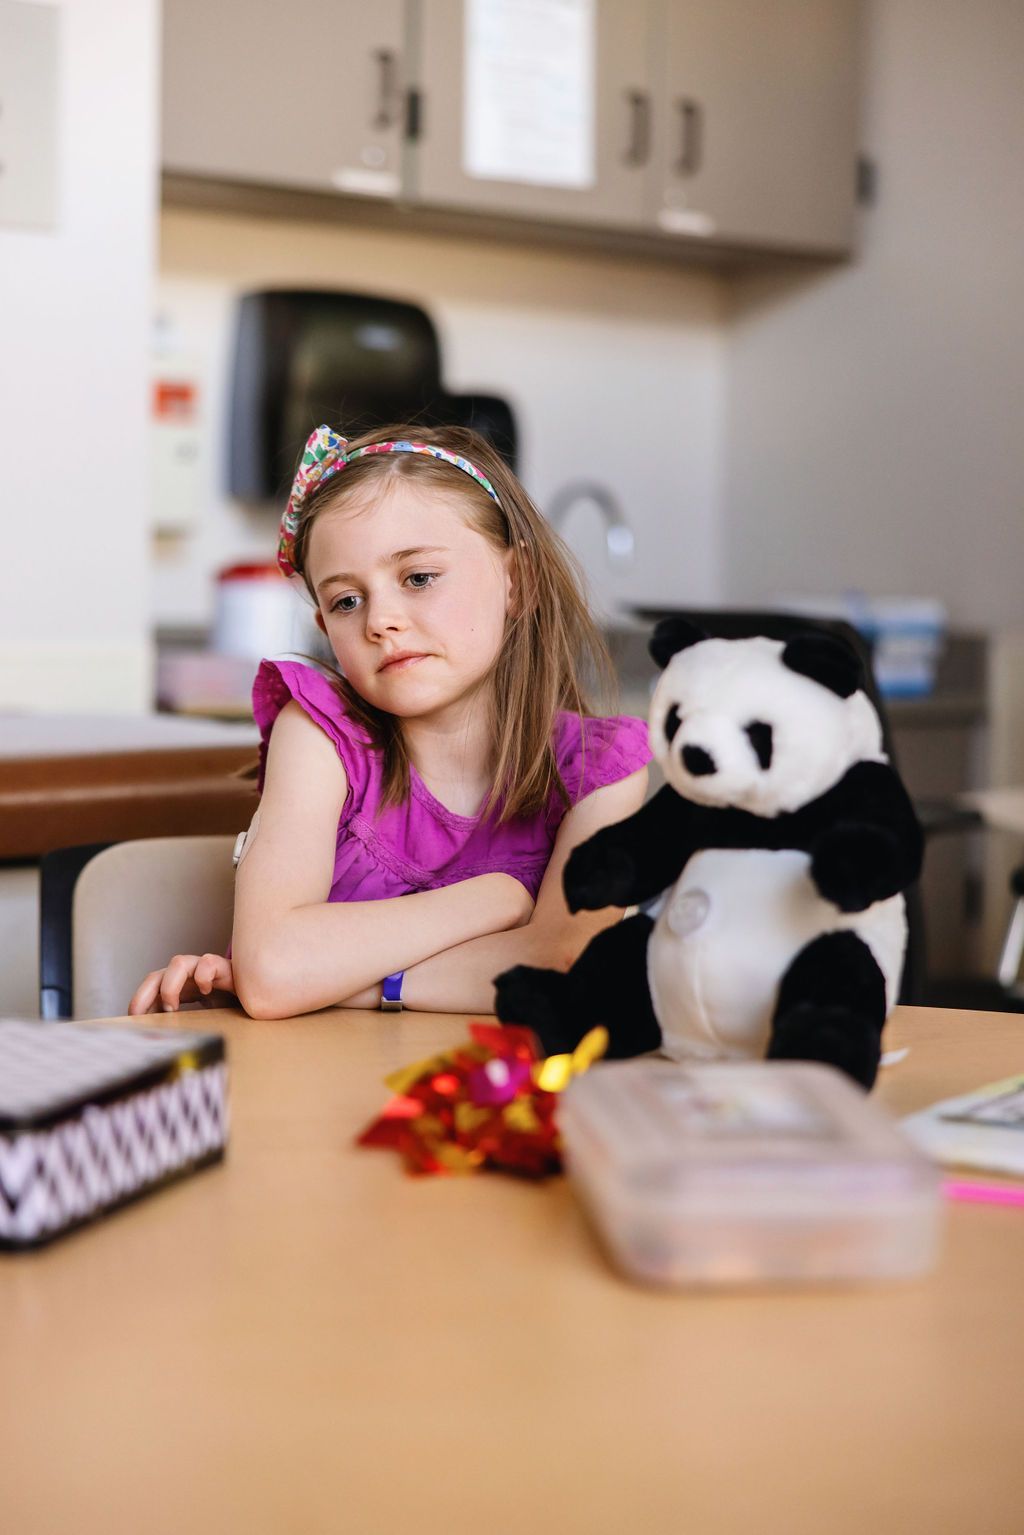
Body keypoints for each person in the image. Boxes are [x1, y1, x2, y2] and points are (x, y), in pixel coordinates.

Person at [129, 422, 651, 1019]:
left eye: (418, 578)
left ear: (517, 581)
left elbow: (565, 968)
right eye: (346, 601)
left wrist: (343, 983)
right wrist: (493, 900)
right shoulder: (320, 736)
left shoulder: (600, 769)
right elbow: (274, 971)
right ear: (325, 628)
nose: (381, 620)